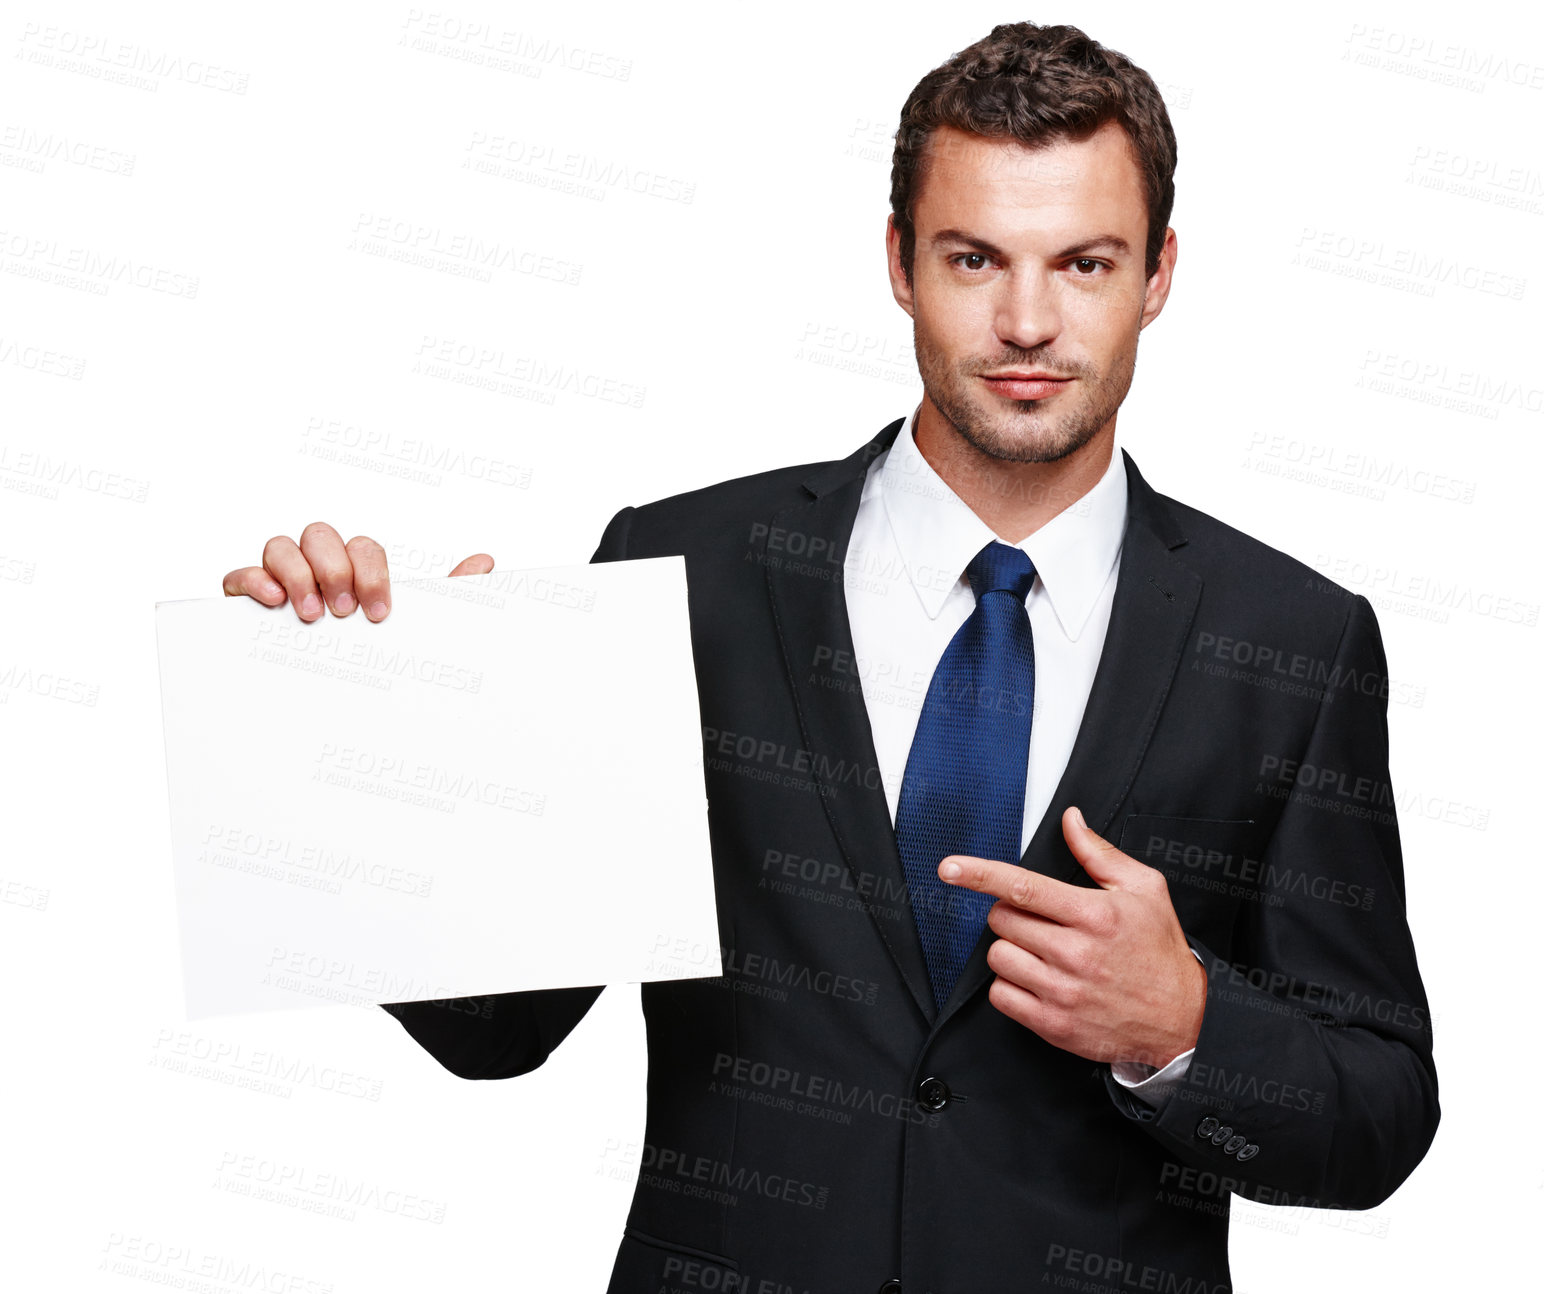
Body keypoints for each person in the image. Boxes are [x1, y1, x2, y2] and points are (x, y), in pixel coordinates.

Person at [222, 21, 1438, 1292]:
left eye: (1082, 262)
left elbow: (1378, 1113)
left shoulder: (1291, 639)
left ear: (1158, 273)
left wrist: (1186, 1030)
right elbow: (493, 1033)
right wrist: (375, 743)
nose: (1027, 321)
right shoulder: (676, 570)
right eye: (973, 258)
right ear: (901, 265)